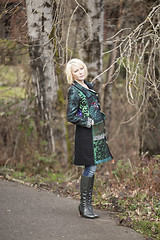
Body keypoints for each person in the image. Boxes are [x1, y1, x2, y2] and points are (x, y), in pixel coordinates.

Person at [65, 58, 113, 219]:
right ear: (71, 75)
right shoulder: (74, 90)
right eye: (76, 71)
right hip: (85, 133)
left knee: (93, 167)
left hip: (95, 132)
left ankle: (86, 205)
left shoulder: (88, 86)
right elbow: (70, 115)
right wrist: (87, 121)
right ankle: (84, 205)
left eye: (81, 69)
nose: (80, 72)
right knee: (90, 167)